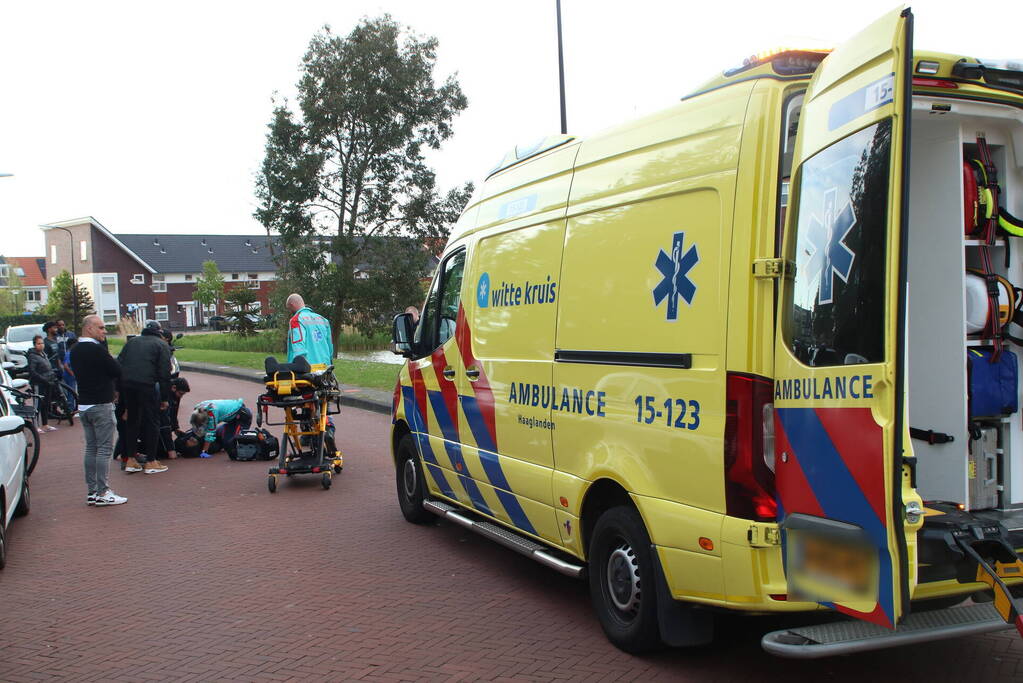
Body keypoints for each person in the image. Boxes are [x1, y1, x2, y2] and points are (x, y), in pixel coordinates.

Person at [70, 315, 126, 506]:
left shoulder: (75, 350)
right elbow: (117, 370)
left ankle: (92, 491)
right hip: (101, 404)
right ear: (89, 329)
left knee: (91, 448)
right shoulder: (97, 350)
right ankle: (103, 492)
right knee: (104, 449)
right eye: (101, 328)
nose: (104, 331)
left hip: (84, 405)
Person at [117, 320, 171, 474]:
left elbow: (120, 363)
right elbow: (164, 374)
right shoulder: (161, 345)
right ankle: (151, 461)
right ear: (159, 331)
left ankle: (131, 459)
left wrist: (118, 389)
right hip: (147, 386)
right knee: (152, 421)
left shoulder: (131, 342)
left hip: (128, 386)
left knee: (132, 421)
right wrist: (165, 398)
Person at [285, 294, 334, 367]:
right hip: (325, 368)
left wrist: (298, 366)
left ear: (292, 305)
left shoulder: (296, 320)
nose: (290, 311)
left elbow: (298, 347)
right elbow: (330, 347)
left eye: (289, 308)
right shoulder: (323, 320)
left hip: (308, 369)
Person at [27, 334, 58, 432]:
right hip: (38, 384)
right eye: (38, 343)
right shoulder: (32, 356)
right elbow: (32, 371)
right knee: (38, 405)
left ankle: (45, 424)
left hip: (48, 383)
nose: (41, 345)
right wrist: (43, 380)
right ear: (34, 344)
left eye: (42, 343)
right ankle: (36, 426)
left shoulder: (43, 354)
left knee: (46, 404)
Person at [158, 377, 190, 459]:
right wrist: (170, 449)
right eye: (180, 393)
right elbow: (164, 423)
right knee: (161, 452)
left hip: (159, 422)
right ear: (174, 388)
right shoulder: (164, 395)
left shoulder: (176, 396)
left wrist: (176, 427)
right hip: (149, 421)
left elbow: (174, 413)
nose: (181, 397)